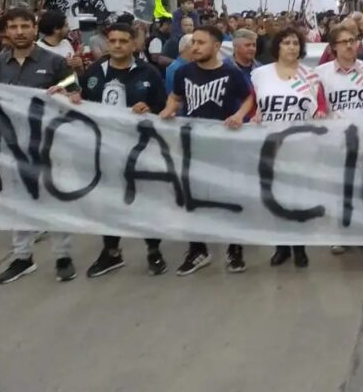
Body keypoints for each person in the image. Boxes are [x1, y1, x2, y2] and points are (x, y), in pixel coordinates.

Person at [0, 9, 79, 284]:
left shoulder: (55, 62)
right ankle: (22, 257)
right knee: (18, 200)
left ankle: (63, 256)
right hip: (13, 144)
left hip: (50, 144)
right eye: (13, 27)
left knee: (55, 199)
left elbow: (76, 93)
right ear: (6, 32)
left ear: (34, 28)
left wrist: (65, 93)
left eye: (25, 25)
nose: (19, 31)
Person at [159, 25, 254, 275]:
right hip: (193, 144)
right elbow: (176, 96)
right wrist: (170, 108)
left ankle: (235, 249)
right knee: (193, 197)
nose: (195, 47)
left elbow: (249, 98)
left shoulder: (232, 74)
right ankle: (198, 249)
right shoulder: (183, 72)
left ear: (215, 46)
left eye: (201, 42)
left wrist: (239, 115)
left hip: (225, 145)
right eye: (193, 43)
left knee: (230, 197)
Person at [80, 22, 169, 278]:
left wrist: (149, 110)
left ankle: (153, 251)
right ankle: (111, 252)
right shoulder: (95, 70)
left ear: (133, 44)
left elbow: (163, 108)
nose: (117, 45)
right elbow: (75, 89)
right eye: (113, 41)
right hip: (104, 148)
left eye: (123, 41)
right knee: (108, 201)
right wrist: (68, 90)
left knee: (144, 200)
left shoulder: (148, 73)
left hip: (140, 150)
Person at [251, 27, 327, 269]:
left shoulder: (311, 76)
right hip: (270, 146)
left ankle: (299, 247)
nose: (292, 47)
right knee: (275, 197)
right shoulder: (260, 74)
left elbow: (320, 108)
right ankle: (280, 247)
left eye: (295, 43)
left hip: (301, 147)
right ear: (277, 47)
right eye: (286, 43)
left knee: (299, 198)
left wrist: (323, 117)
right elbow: (254, 106)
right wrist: (252, 118)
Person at [316, 22, 363, 255]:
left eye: (353, 40)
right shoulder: (321, 73)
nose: (350, 45)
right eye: (344, 42)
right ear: (333, 47)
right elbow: (316, 104)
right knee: (340, 187)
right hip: (335, 139)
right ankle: (341, 233)